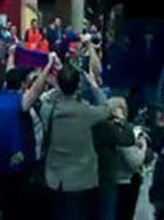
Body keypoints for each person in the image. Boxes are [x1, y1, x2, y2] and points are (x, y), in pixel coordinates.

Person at [0, 52, 57, 220]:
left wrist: (11, 55)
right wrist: (48, 66)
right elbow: (36, 90)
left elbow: (11, 74)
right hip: (20, 168)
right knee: (19, 211)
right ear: (24, 84)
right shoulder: (21, 103)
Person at [40, 64, 114, 220]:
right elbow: (106, 108)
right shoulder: (87, 112)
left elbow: (45, 98)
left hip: (55, 180)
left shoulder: (48, 111)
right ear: (78, 85)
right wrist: (93, 85)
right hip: (82, 180)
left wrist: (57, 84)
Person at [93, 97, 146, 220]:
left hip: (100, 180)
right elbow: (134, 161)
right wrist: (142, 148)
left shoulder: (98, 128)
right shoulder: (120, 131)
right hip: (122, 185)